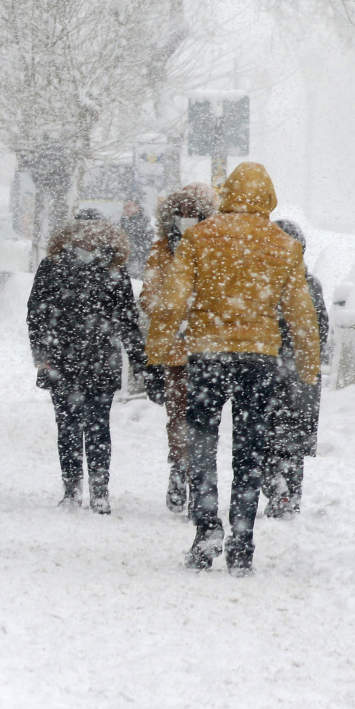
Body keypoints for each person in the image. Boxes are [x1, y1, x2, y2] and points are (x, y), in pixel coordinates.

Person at [148, 162, 320, 575]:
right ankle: (242, 537)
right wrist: (308, 364)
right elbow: (301, 312)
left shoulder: (198, 238)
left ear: (227, 195)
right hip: (259, 359)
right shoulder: (284, 246)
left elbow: (172, 300)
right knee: (250, 449)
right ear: (269, 198)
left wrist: (159, 346)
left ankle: (207, 527)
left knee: (203, 444)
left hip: (207, 355)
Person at [27, 217, 158, 514]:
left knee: (85, 426)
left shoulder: (104, 268)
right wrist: (41, 354)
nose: (87, 238)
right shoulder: (67, 266)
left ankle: (89, 490)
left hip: (85, 360)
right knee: (80, 426)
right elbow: (37, 313)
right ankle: (82, 488)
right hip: (79, 360)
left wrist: (140, 360)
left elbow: (126, 319)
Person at [140, 184, 220, 513]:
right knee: (178, 417)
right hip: (177, 350)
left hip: (206, 349)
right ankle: (180, 468)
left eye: (193, 215)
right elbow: (149, 295)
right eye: (181, 216)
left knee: (202, 419)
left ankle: (198, 476)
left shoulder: (215, 246)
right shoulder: (162, 249)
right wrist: (172, 309)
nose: (187, 221)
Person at [261, 219, 329, 519]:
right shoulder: (310, 283)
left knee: (262, 436)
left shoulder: (260, 281)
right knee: (293, 442)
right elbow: (321, 331)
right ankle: (289, 495)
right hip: (300, 374)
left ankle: (274, 484)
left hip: (268, 369)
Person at [120, 197, 155, 279]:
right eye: (125, 207)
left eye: (129, 207)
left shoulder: (142, 222)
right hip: (131, 260)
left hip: (137, 262)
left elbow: (145, 245)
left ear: (138, 207)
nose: (126, 209)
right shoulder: (124, 220)